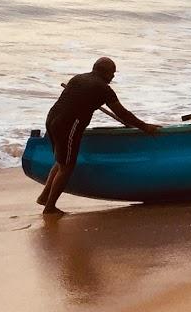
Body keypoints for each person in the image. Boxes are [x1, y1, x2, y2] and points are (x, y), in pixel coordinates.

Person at [38, 56, 159, 216]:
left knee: (61, 162)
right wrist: (145, 127)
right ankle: (50, 208)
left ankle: (45, 197)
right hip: (68, 126)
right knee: (67, 167)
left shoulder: (78, 78)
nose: (113, 77)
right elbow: (121, 113)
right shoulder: (103, 88)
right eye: (113, 73)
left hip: (52, 120)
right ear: (106, 72)